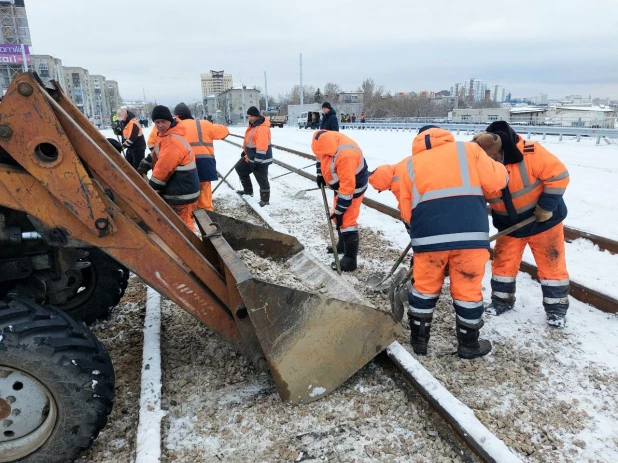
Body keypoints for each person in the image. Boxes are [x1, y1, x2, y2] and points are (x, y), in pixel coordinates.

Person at [396, 125, 508, 359]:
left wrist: (416, 232)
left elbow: (405, 209)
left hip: (428, 239)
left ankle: (419, 343)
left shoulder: (408, 164)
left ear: (418, 140)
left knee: (424, 288)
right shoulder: (469, 150)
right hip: (470, 237)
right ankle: (468, 345)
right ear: (444, 135)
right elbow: (497, 182)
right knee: (467, 289)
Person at [473, 121, 571, 328]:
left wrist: (545, 207)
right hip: (509, 226)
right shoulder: (479, 164)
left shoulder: (531, 152)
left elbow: (559, 176)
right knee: (502, 264)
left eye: (495, 157)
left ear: (502, 149)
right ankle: (502, 301)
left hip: (543, 221)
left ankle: (556, 310)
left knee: (551, 266)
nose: (493, 161)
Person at [312, 130, 369, 272]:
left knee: (347, 222)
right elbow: (321, 157)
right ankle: (341, 245)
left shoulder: (346, 155)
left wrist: (340, 209)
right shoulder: (322, 141)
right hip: (341, 184)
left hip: (354, 187)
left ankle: (350, 259)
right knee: (338, 218)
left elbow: (348, 187)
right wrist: (320, 173)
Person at [148, 105, 200, 231]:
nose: (160, 125)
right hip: (181, 188)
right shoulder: (165, 136)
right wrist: (146, 162)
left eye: (163, 122)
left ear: (170, 121)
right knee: (180, 222)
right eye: (157, 122)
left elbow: (163, 168)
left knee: (183, 225)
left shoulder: (172, 140)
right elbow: (160, 154)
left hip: (182, 193)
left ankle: (189, 248)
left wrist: (151, 189)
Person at [174, 102, 229, 211]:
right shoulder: (203, 124)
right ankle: (206, 213)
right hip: (205, 162)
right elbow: (224, 131)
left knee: (186, 190)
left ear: (177, 116)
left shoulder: (174, 126)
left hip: (184, 163)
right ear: (190, 115)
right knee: (204, 187)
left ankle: (190, 214)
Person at [236, 106, 273, 207]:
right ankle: (248, 191)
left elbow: (262, 147)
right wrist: (246, 151)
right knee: (240, 168)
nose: (250, 118)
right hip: (251, 157)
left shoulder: (261, 128)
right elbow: (250, 141)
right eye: (248, 116)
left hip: (261, 159)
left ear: (257, 116)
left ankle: (265, 200)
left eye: (251, 116)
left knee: (262, 178)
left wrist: (257, 162)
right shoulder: (253, 125)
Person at [368, 158, 412, 225]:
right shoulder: (401, 164)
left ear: (383, 184)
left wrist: (409, 224)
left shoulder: (397, 185)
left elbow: (405, 206)